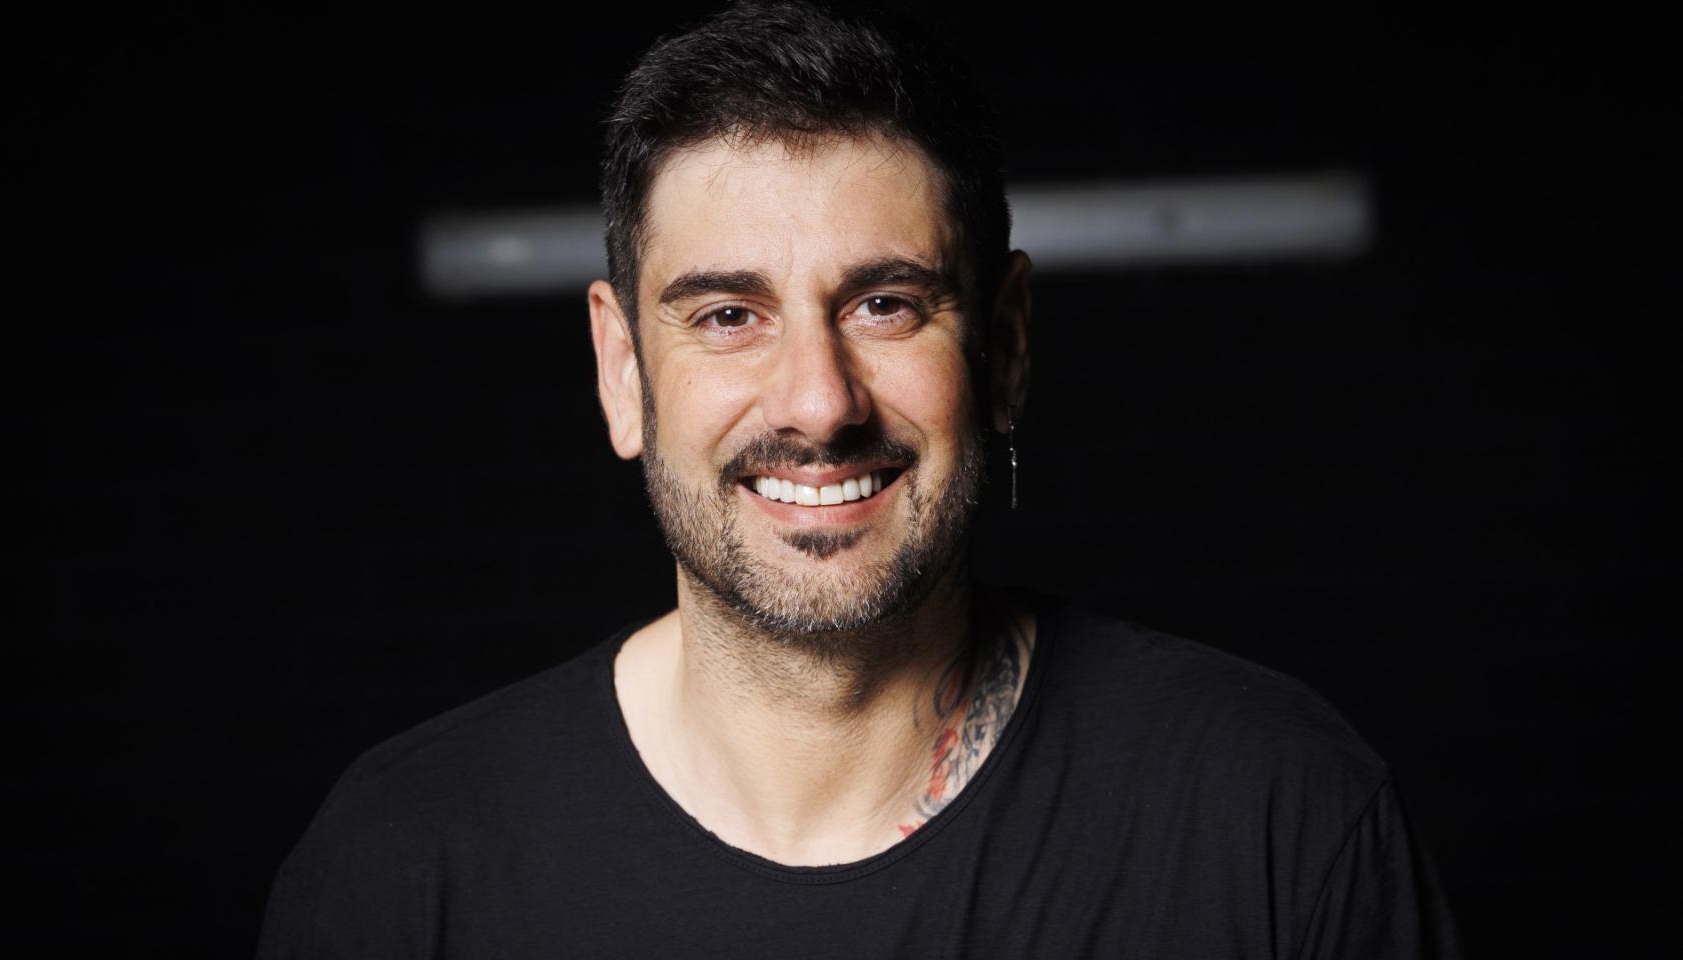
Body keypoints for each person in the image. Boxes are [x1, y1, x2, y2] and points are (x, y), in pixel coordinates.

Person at [258, 2, 1462, 956]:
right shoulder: (404, 869)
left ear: (1005, 345)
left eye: (884, 304)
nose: (818, 403)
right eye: (727, 315)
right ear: (622, 373)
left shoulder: (1274, 820)